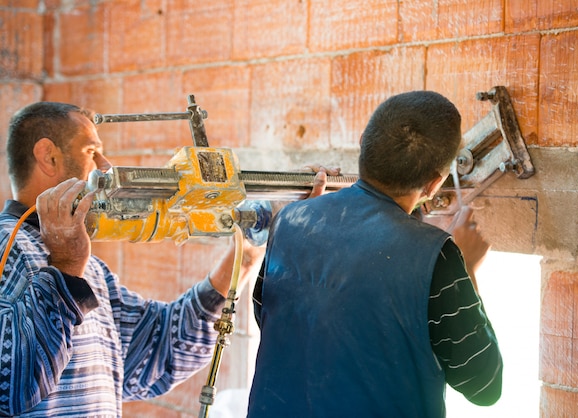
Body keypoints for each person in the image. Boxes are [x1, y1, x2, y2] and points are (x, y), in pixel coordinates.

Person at [0, 101, 334, 417]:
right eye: (91, 151)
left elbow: (160, 348)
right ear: (48, 156)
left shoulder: (89, 269)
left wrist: (246, 253)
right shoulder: (9, 247)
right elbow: (11, 387)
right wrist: (66, 266)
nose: (105, 165)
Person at [248, 90, 503, 417]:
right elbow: (485, 387)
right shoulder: (437, 257)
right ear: (433, 185)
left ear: (362, 143)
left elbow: (271, 318)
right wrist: (465, 268)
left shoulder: (290, 221)